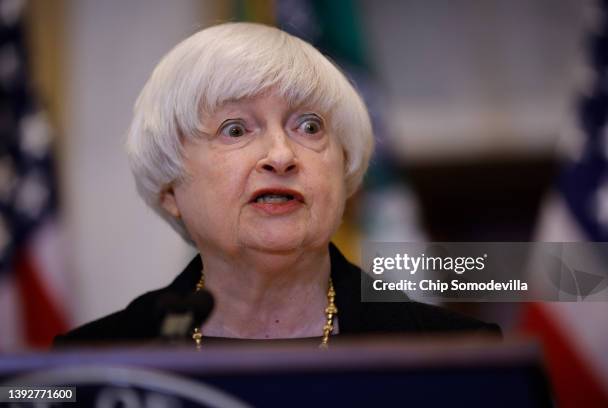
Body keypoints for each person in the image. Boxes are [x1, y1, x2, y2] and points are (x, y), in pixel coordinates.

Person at [54, 22, 499, 348]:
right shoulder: (96, 361)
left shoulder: (458, 356)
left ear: (344, 174)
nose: (282, 156)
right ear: (170, 189)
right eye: (234, 130)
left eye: (309, 127)